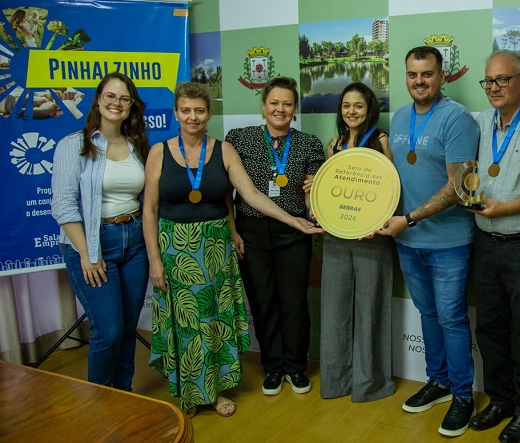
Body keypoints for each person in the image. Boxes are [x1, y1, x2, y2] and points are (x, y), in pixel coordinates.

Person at [143, 82, 320, 417]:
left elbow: (250, 194)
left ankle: (220, 388)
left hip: (216, 248)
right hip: (178, 249)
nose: (193, 117)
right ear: (176, 113)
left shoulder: (224, 149)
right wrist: (154, 259)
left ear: (209, 114)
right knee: (187, 323)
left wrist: (297, 222)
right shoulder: (161, 152)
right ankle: (192, 393)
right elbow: (150, 210)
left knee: (215, 320)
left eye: (199, 110)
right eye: (186, 110)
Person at [376, 46, 480, 437]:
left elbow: (460, 187)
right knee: (429, 314)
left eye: (428, 74)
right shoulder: (400, 116)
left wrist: (410, 219)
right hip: (408, 240)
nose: (419, 81)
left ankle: (463, 396)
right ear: (406, 76)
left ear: (442, 76)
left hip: (449, 240)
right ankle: (438, 382)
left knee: (452, 318)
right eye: (413, 74)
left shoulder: (458, 119)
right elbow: (386, 176)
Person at [466, 51, 520, 443]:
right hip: (485, 243)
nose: (494, 88)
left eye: (503, 79)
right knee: (490, 328)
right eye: (489, 81)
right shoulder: (479, 123)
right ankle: (500, 399)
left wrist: (505, 209)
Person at [224, 76, 326, 398]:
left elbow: (313, 194)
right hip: (251, 231)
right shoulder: (238, 139)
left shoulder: (310, 143)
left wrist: (312, 207)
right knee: (263, 301)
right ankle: (273, 367)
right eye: (274, 103)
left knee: (294, 302)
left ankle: (296, 367)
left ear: (295, 109)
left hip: (294, 232)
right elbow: (227, 191)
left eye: (287, 103)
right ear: (263, 106)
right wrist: (233, 229)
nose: (280, 109)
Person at [51, 72, 150, 391]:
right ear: (98, 99)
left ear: (131, 105)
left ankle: (124, 397)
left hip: (134, 242)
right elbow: (64, 206)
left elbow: (146, 198)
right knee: (107, 331)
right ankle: (100, 406)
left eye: (124, 98)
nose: (116, 103)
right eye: (110, 96)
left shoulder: (138, 144)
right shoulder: (74, 144)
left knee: (126, 328)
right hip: (93, 243)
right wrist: (88, 254)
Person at [318, 82, 396, 402]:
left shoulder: (380, 141)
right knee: (334, 309)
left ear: (369, 109)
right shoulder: (333, 144)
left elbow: (390, 189)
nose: (352, 111)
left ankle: (370, 383)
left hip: (372, 237)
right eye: (346, 105)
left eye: (359, 106)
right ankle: (336, 382)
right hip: (336, 237)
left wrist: (375, 224)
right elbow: (329, 194)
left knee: (370, 308)